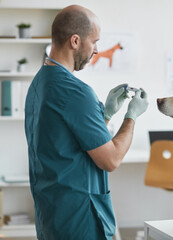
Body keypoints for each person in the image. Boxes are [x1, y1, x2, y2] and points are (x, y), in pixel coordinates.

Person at [24, 5, 148, 240]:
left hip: (52, 216)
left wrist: (107, 114)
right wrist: (132, 116)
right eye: (94, 41)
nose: (96, 50)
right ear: (75, 41)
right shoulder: (76, 92)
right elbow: (110, 159)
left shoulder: (39, 83)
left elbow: (69, 141)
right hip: (80, 221)